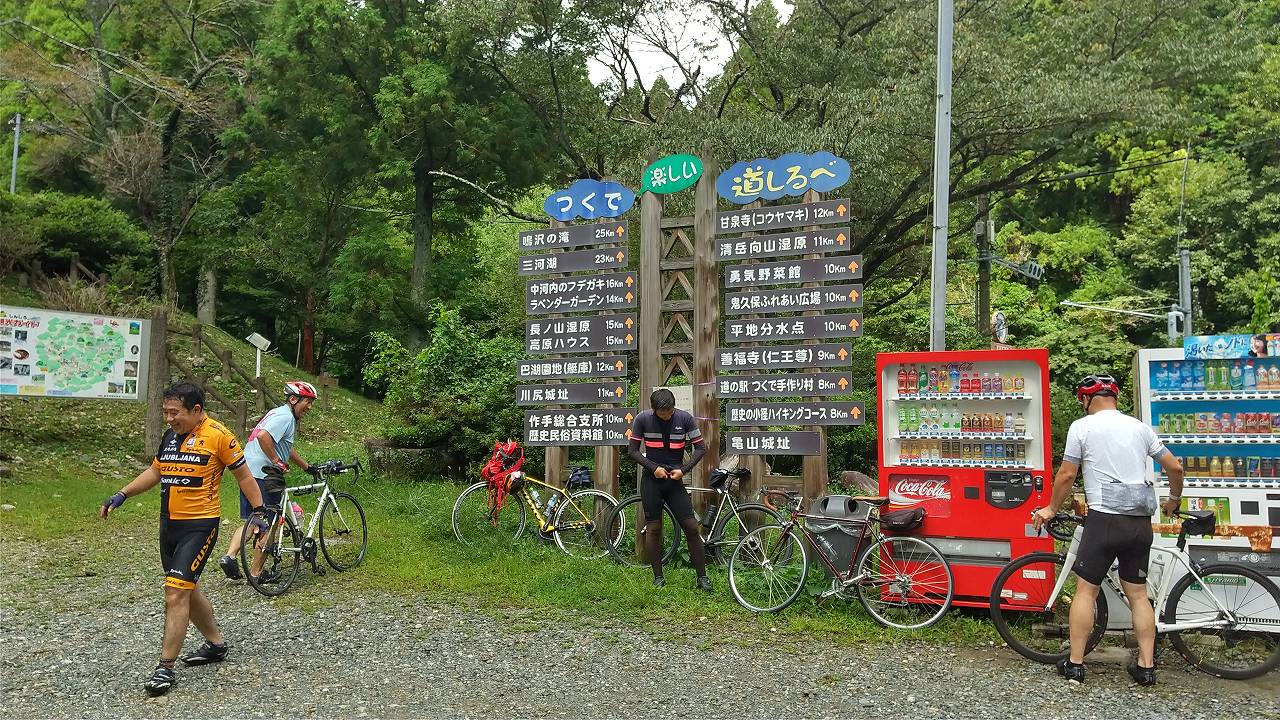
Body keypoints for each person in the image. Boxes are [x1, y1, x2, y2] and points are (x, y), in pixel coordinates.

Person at [100, 382, 269, 696]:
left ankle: (165, 668)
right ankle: (217, 644)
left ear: (196, 410)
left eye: (174, 412)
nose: (169, 418)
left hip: (199, 526)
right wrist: (122, 494)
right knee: (186, 590)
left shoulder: (219, 436)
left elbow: (244, 476)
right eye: (165, 412)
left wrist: (258, 511)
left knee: (175, 592)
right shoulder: (170, 436)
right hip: (170, 526)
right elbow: (156, 472)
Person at [1033, 374, 1184, 686]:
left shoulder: (1082, 427)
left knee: (1086, 591)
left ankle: (1075, 664)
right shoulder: (1140, 428)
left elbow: (1066, 474)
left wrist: (1049, 508)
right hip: (1140, 523)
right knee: (1139, 596)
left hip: (1104, 521)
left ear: (1088, 399)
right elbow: (1175, 467)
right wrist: (1173, 500)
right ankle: (1146, 667)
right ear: (1114, 397)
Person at [217, 381, 318, 581]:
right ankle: (257, 573)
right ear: (293, 399)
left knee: (254, 520)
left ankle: (229, 556)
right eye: (307, 401)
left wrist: (306, 467)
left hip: (248, 470)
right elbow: (264, 437)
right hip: (265, 474)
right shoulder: (285, 417)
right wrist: (276, 461)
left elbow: (284, 446)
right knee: (270, 523)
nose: (309, 407)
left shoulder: (276, 413)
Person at [627, 388, 711, 590]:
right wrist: (653, 468)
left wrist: (684, 470)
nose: (667, 415)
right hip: (651, 481)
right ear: (654, 409)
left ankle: (702, 578)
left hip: (674, 481)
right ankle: (658, 577)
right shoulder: (642, 419)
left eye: (670, 411)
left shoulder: (685, 419)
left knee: (691, 527)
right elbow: (632, 450)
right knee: (653, 529)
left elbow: (701, 447)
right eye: (663, 413)